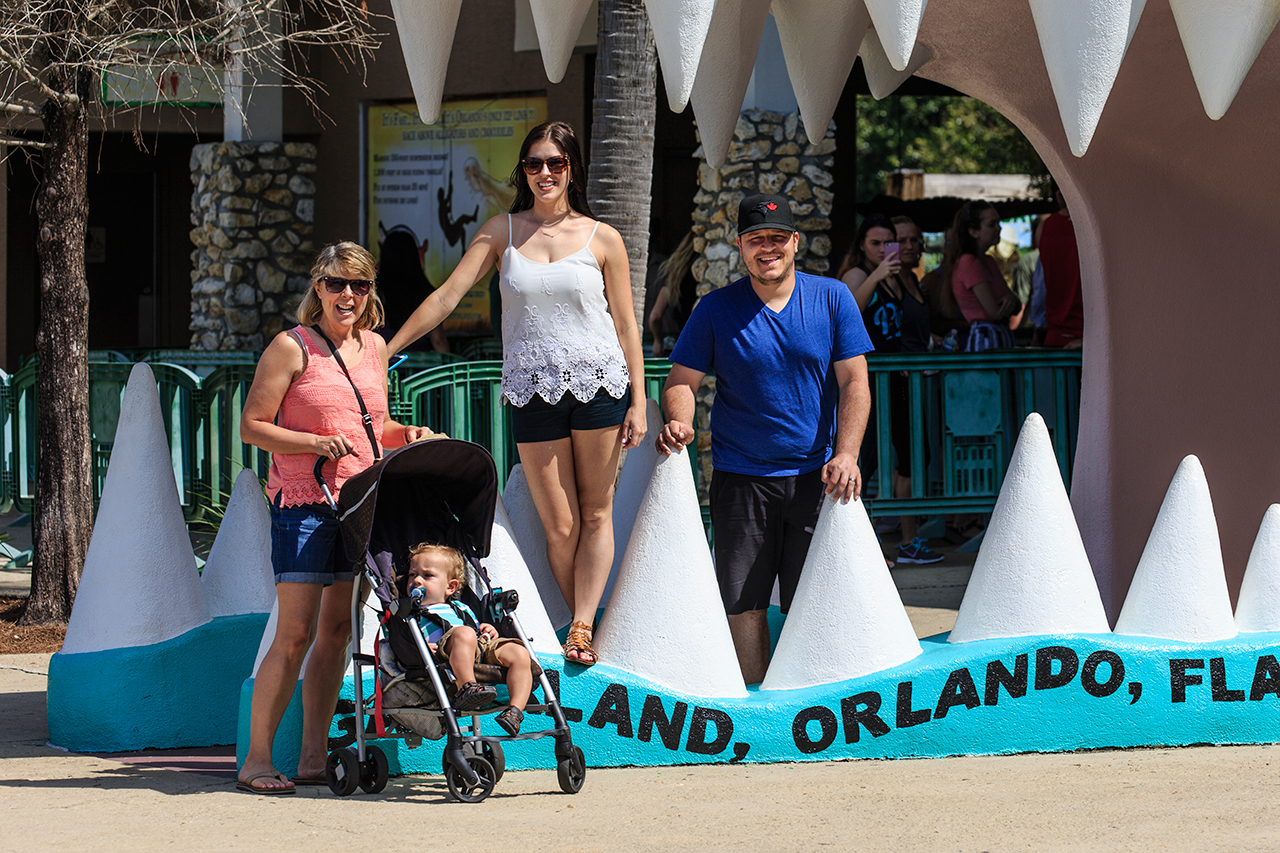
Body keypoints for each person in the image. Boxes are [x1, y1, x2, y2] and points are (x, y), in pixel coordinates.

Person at [387, 121, 647, 667]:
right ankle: (578, 613)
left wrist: (640, 402)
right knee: (561, 523)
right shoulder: (501, 231)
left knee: (597, 514)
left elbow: (626, 325)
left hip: (600, 385)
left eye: (556, 163)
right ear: (522, 171)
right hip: (532, 390)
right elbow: (446, 297)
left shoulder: (604, 238)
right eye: (534, 164)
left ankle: (581, 625)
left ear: (572, 168)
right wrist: (385, 350)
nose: (545, 173)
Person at [236, 242, 429, 795]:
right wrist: (314, 442)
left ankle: (313, 759)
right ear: (317, 286)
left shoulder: (373, 349)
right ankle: (255, 760)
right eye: (337, 283)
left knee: (337, 632)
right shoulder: (290, 347)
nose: (348, 295)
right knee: (294, 633)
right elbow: (253, 426)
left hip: (357, 502)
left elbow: (377, 425)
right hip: (303, 502)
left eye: (360, 285)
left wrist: (407, 435)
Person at [656, 192, 873, 685]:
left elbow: (855, 381)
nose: (768, 248)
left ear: (795, 242)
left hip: (818, 477)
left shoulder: (832, 297)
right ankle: (756, 702)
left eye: (778, 238)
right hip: (741, 479)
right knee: (743, 603)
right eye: (757, 239)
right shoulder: (714, 309)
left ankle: (808, 700)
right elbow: (681, 382)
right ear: (740, 246)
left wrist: (848, 454)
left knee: (813, 603)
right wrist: (679, 421)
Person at [838, 215, 941, 565]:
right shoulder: (857, 275)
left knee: (912, 454)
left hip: (897, 378)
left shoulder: (900, 279)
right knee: (864, 457)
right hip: (865, 380)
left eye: (888, 243)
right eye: (875, 244)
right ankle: (859, 544)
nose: (883, 250)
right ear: (862, 247)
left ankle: (908, 540)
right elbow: (847, 313)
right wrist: (878, 276)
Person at [405, 543, 531, 736]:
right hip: (445, 649)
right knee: (464, 633)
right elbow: (398, 642)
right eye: (412, 575)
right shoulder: (409, 612)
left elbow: (476, 630)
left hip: (478, 646)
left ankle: (515, 712)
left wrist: (488, 631)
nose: (417, 581)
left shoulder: (460, 607)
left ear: (450, 587)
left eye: (427, 575)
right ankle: (466, 687)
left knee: (520, 652)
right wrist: (417, 648)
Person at [946, 201, 1021, 351]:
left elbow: (1013, 304)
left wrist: (1011, 301)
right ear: (973, 232)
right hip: (987, 340)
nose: (998, 228)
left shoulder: (988, 261)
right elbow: (995, 312)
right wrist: (1011, 301)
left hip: (998, 338)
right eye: (991, 224)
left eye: (998, 223)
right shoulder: (969, 262)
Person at [376, 227, 449, 353]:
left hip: (383, 364)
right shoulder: (426, 293)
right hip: (419, 367)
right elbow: (438, 341)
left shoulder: (373, 292)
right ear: (415, 257)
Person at [1038, 188, 1084, 349]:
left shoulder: (1045, 227)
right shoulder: (1095, 226)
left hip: (1056, 335)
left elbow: (1040, 285)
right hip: (1090, 336)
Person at [648, 230, 698, 356]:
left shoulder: (678, 275)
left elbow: (655, 316)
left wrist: (658, 343)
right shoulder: (708, 276)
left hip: (687, 346)